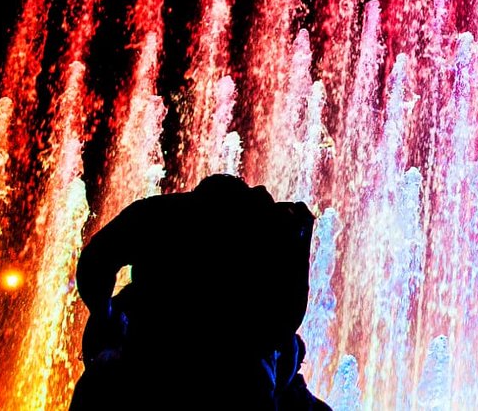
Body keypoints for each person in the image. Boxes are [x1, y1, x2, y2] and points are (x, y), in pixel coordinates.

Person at [70, 174, 317, 410]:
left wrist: (104, 315)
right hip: (239, 378)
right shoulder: (273, 229)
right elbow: (286, 319)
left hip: (153, 362)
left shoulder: (160, 214)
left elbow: (95, 262)